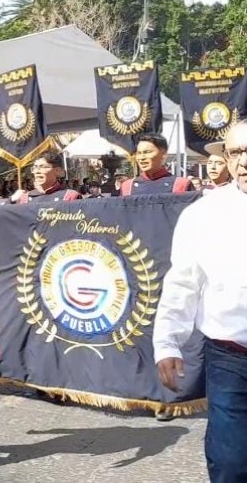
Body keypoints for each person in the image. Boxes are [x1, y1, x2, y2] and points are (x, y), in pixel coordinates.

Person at [153, 121, 247, 482]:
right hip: (230, 359)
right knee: (231, 463)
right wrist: (167, 341)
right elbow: (182, 282)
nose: (242, 160)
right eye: (235, 152)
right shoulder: (203, 214)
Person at [120, 133, 194, 196]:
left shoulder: (181, 185)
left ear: (163, 154)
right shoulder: (127, 187)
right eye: (139, 153)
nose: (142, 158)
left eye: (147, 152)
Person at [14, 152, 82, 203]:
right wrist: (12, 200)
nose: (37, 171)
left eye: (42, 167)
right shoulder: (24, 198)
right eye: (35, 167)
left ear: (58, 171)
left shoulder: (70, 197)